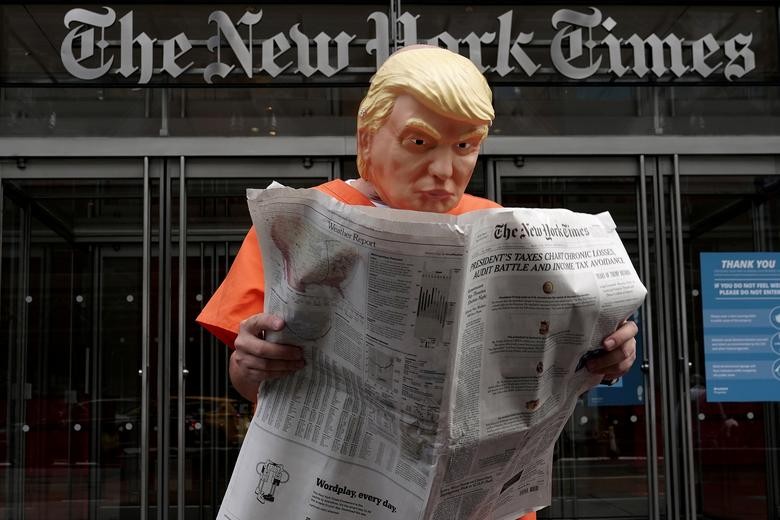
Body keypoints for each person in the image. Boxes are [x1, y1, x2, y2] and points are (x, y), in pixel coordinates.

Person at [197, 46, 638, 520]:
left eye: (466, 146)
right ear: (367, 139)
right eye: (420, 143)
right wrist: (249, 365)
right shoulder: (304, 222)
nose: (445, 171)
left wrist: (607, 357)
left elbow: (548, 376)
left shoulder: (503, 229)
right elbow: (251, 381)